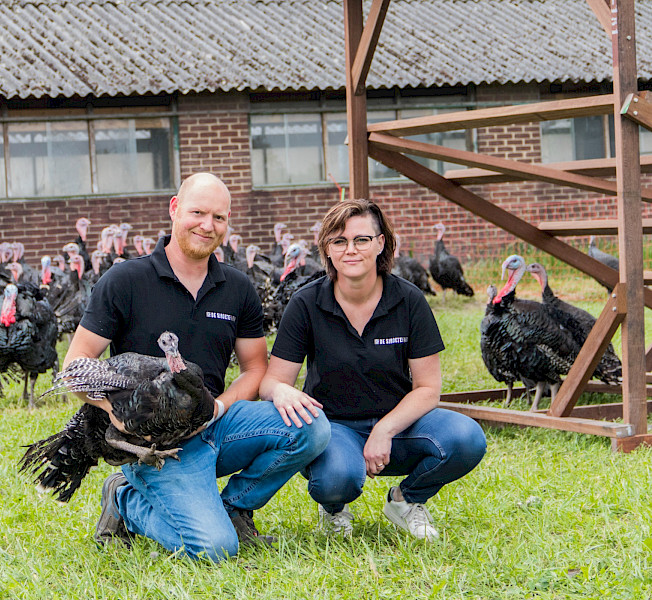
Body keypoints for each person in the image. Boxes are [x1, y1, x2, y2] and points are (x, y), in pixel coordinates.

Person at [63, 172, 330, 562]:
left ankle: (235, 510)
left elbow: (256, 368)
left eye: (219, 217)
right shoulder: (125, 279)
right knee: (213, 550)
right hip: (156, 443)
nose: (208, 225)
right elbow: (75, 365)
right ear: (174, 208)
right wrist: (113, 411)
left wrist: (218, 408)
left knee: (312, 428)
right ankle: (123, 498)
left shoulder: (238, 288)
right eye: (198, 212)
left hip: (214, 424)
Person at [259, 199, 486, 541]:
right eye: (339, 241)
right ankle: (334, 507)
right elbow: (272, 381)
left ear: (380, 244)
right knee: (337, 478)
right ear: (327, 249)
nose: (351, 250)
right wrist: (280, 390)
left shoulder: (408, 300)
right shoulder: (306, 303)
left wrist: (384, 429)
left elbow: (428, 388)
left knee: (467, 438)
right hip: (333, 428)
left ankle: (406, 500)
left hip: (400, 426)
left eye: (361, 239)